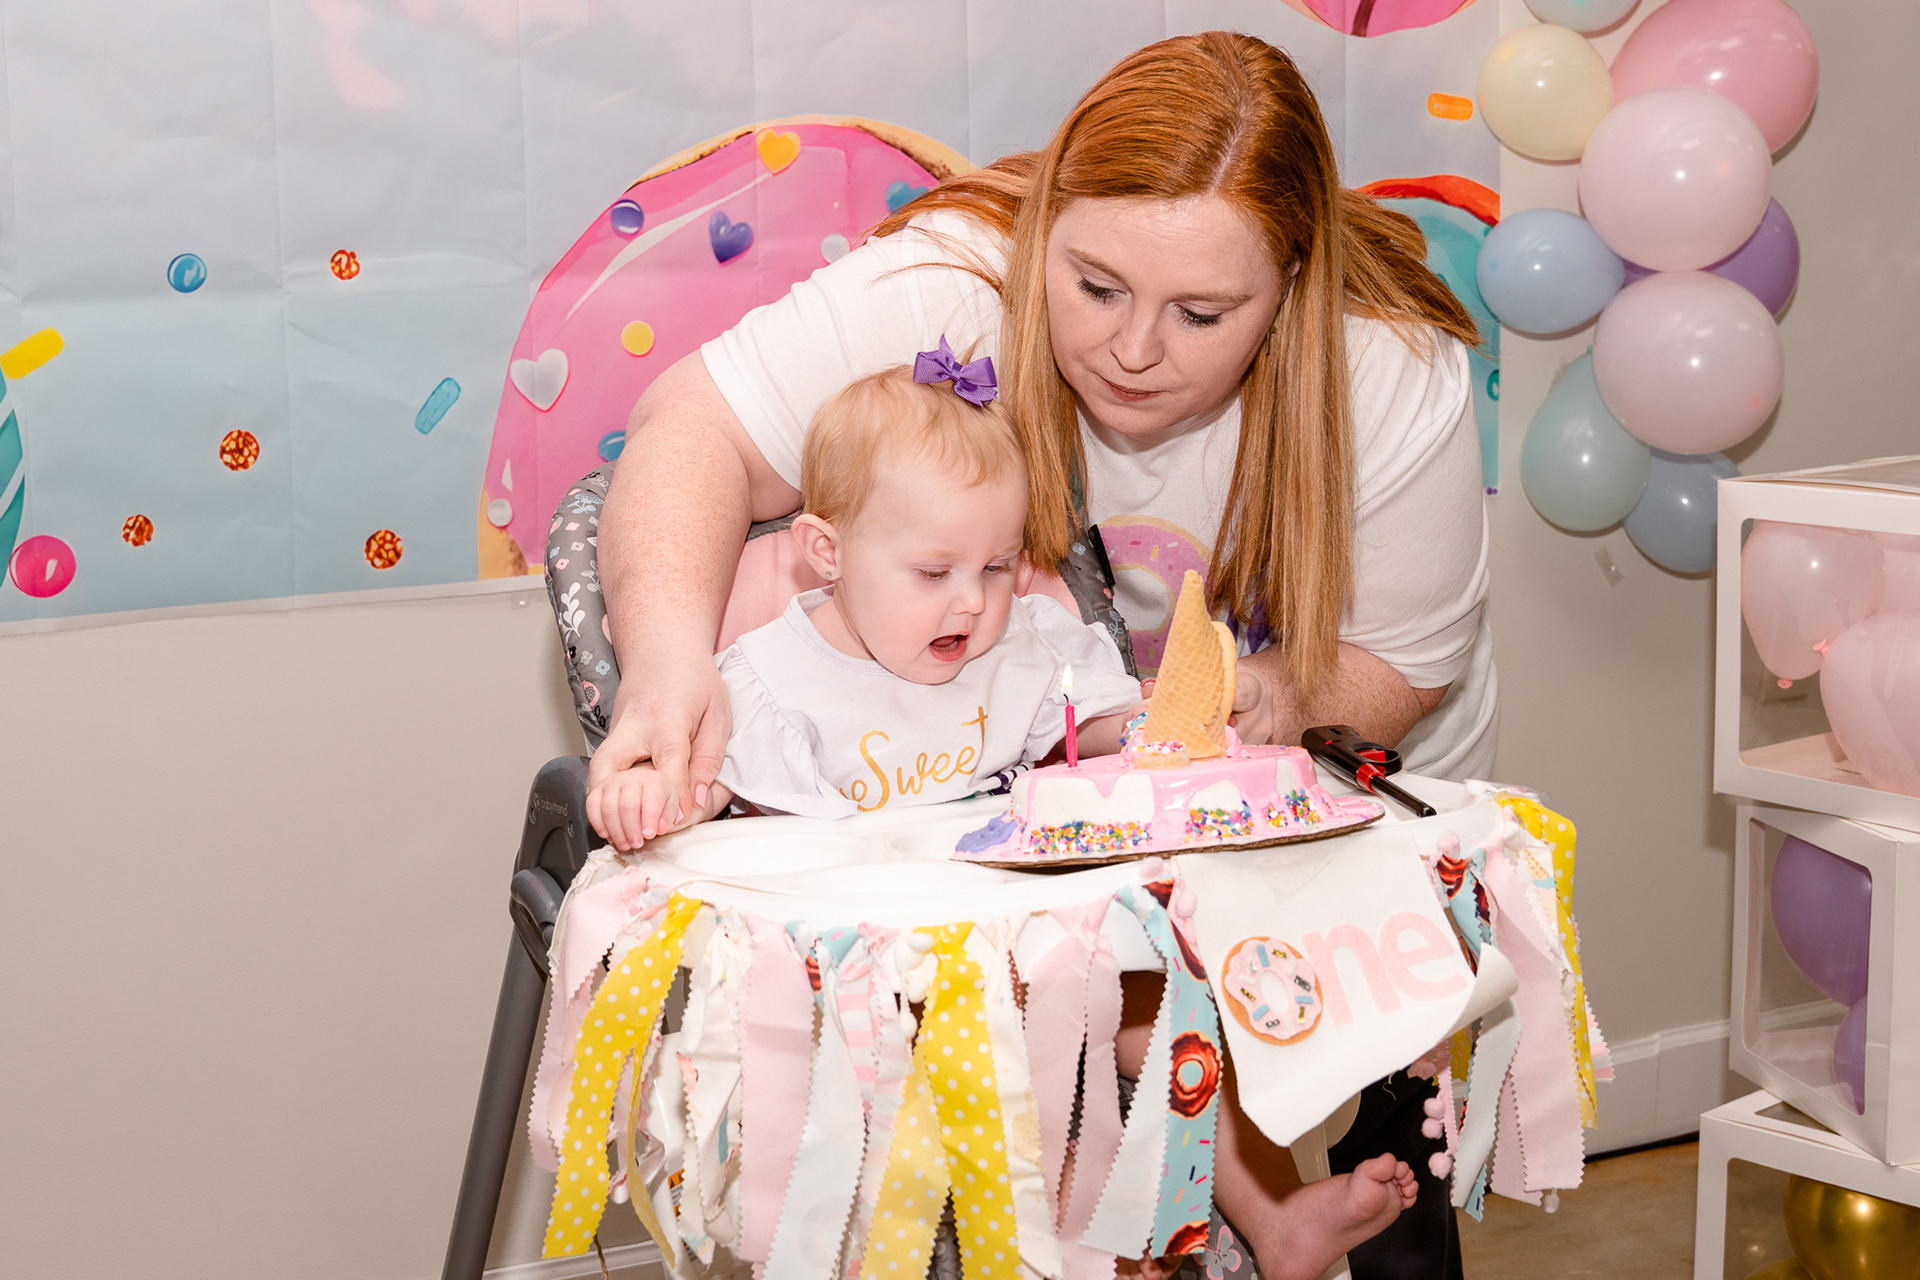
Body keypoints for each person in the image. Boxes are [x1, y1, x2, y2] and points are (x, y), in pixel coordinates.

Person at [592, 30, 1491, 1280]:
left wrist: (1259, 706)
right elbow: (691, 429)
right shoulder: (957, 281)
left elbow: (1402, 657)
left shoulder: (1386, 363)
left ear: (1290, 286)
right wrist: (667, 662)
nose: (1132, 350)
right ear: (1049, 226)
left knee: (1365, 1127)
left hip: (1321, 786)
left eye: (1201, 314)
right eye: (1097, 286)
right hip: (1060, 810)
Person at [585, 357, 1146, 850]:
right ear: (828, 552)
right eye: (933, 572)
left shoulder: (1022, 645)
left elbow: (1087, 726)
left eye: (997, 567)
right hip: (846, 937)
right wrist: (654, 796)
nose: (974, 601)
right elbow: (705, 794)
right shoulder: (770, 686)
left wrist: (1141, 725)